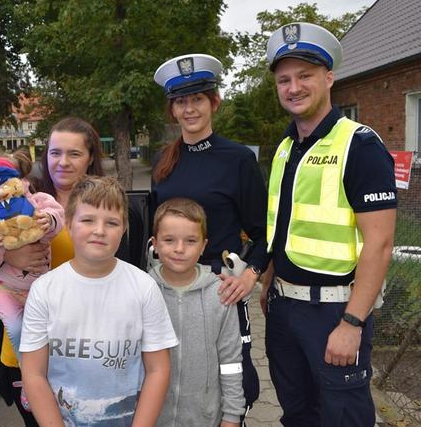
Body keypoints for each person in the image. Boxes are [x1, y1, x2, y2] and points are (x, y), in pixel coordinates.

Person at [262, 22, 397, 426]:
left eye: (305, 76)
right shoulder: (286, 147)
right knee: (297, 414)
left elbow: (380, 243)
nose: (294, 87)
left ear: (328, 77)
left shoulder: (360, 145)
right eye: (284, 79)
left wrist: (352, 323)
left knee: (343, 416)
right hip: (283, 309)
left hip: (334, 312)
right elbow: (280, 224)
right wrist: (269, 283)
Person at [152, 53, 268, 419]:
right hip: (168, 292)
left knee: (234, 381)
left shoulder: (237, 160)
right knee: (170, 374)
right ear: (172, 109)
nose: (189, 109)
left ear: (214, 102)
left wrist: (250, 275)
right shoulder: (162, 162)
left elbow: (265, 234)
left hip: (220, 291)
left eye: (198, 99)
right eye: (181, 102)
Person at [20, 176, 178, 426]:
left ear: (124, 229)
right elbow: (33, 373)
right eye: (87, 220)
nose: (99, 230)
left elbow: (158, 370)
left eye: (112, 222)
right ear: (69, 225)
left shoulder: (144, 287)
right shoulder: (44, 291)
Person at [0, 117, 106, 424]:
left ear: (91, 158)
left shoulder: (106, 207)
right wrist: (8, 255)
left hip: (86, 349)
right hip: (27, 347)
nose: (63, 162)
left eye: (74, 154)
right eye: (56, 153)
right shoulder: (23, 202)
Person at [0, 150, 65, 410]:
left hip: (42, 286)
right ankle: (30, 381)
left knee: (52, 335)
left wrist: (48, 220)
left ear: (18, 180)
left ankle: (53, 375)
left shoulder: (36, 201)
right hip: (6, 289)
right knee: (17, 331)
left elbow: (57, 215)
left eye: (3, 180)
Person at [149, 198, 245, 426]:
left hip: (205, 418)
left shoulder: (220, 294)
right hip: (152, 418)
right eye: (169, 240)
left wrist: (231, 416)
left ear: (203, 245)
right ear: (155, 243)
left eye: (191, 241)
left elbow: (231, 360)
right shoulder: (143, 291)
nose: (179, 249)